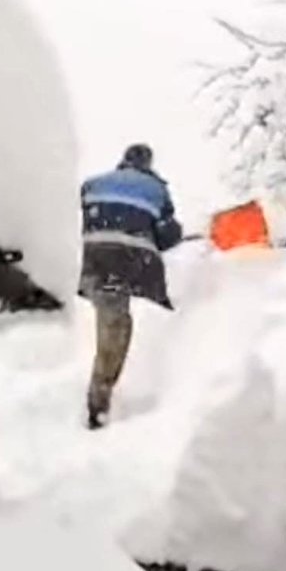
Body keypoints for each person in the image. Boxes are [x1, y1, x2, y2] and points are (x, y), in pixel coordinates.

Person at [78, 143, 182, 429]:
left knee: (109, 317)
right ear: (148, 163)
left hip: (93, 260)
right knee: (117, 327)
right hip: (128, 262)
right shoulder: (155, 189)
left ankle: (99, 396)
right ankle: (98, 402)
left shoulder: (92, 184)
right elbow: (169, 235)